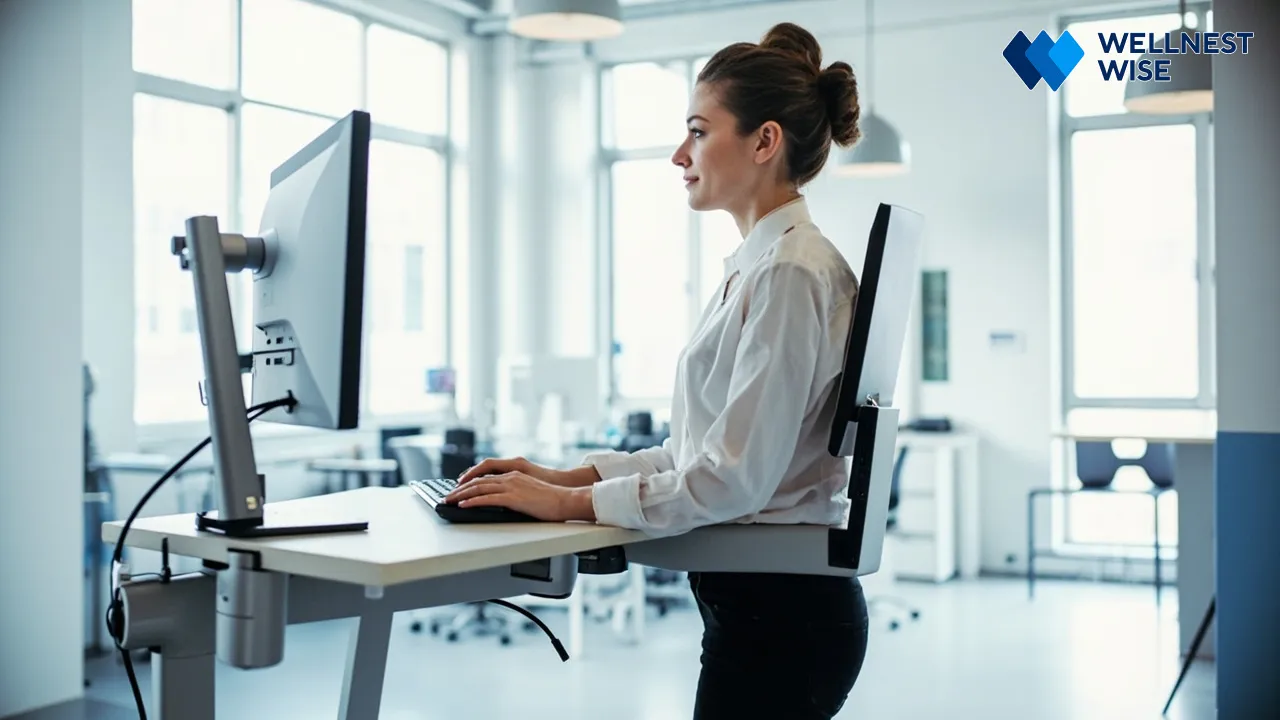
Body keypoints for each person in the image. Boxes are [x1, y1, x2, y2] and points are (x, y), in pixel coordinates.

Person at [449, 21, 868, 720]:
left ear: (764, 141)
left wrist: (568, 506)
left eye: (699, 132)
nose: (680, 154)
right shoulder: (764, 266)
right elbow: (697, 454)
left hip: (783, 620)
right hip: (764, 610)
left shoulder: (790, 273)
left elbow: (732, 480)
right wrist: (562, 478)